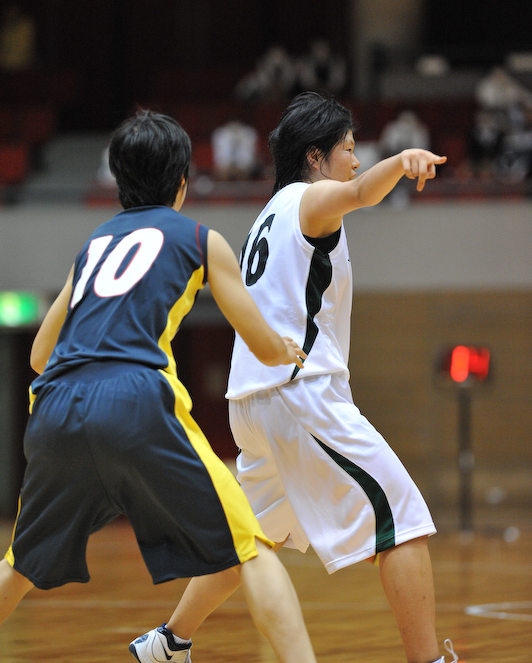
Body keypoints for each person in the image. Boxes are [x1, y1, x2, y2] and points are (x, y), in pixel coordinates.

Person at [143, 92, 458, 663]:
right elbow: (363, 192)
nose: (357, 160)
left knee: (253, 538)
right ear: (315, 158)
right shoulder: (312, 201)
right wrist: (402, 159)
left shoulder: (266, 217)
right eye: (348, 149)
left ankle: (167, 643)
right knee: (404, 517)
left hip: (252, 404)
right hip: (299, 395)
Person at [0, 110, 319, 663]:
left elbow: (38, 355)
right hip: (136, 399)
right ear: (182, 183)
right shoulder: (200, 238)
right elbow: (265, 346)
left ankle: (167, 647)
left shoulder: (94, 245)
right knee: (252, 550)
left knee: (18, 563)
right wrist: (289, 349)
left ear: (119, 182)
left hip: (54, 408)